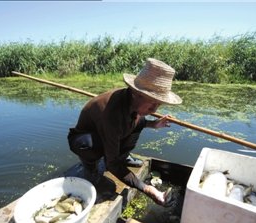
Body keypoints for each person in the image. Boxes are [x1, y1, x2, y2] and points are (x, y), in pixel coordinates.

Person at [68, 58, 182, 206]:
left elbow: (138, 121)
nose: (155, 110)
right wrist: (147, 189)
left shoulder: (133, 103)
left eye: (158, 103)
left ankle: (123, 155)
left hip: (110, 132)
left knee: (139, 121)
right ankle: (90, 166)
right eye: (152, 102)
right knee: (87, 145)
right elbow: (112, 164)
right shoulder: (112, 113)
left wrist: (154, 124)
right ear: (137, 93)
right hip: (87, 138)